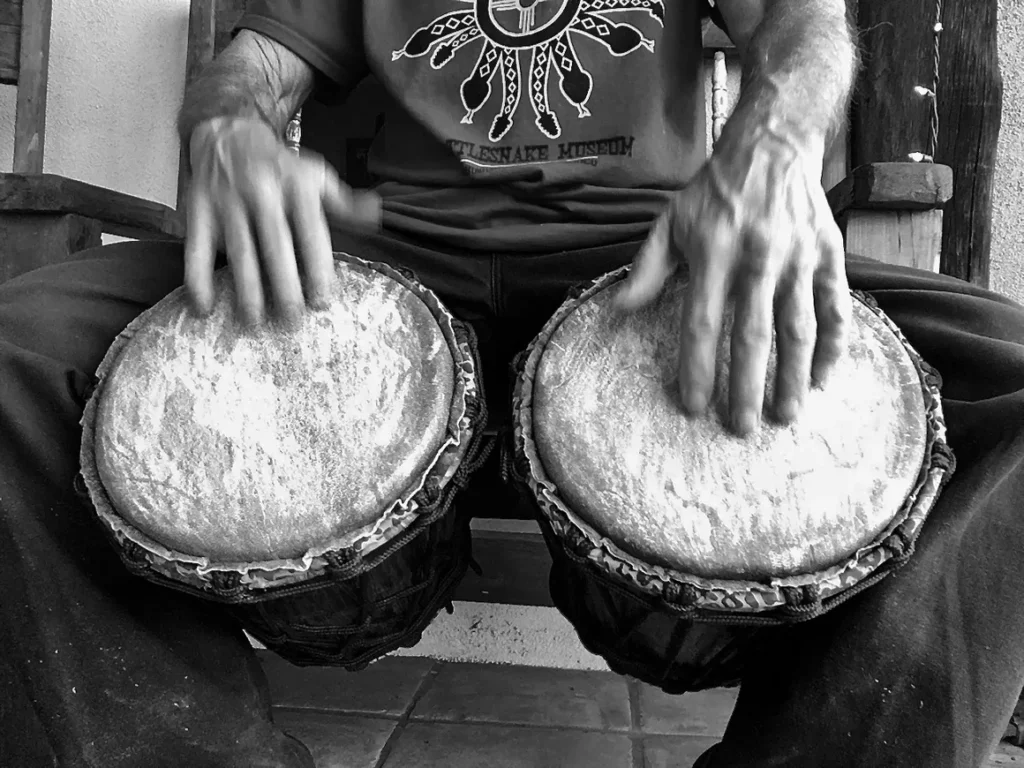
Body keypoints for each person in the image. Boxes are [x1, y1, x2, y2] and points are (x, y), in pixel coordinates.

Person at [1, 1, 1022, 766]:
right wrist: (226, 132)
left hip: (650, 262)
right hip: (367, 266)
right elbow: (249, 73)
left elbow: (803, 28)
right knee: (15, 350)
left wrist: (776, 143)